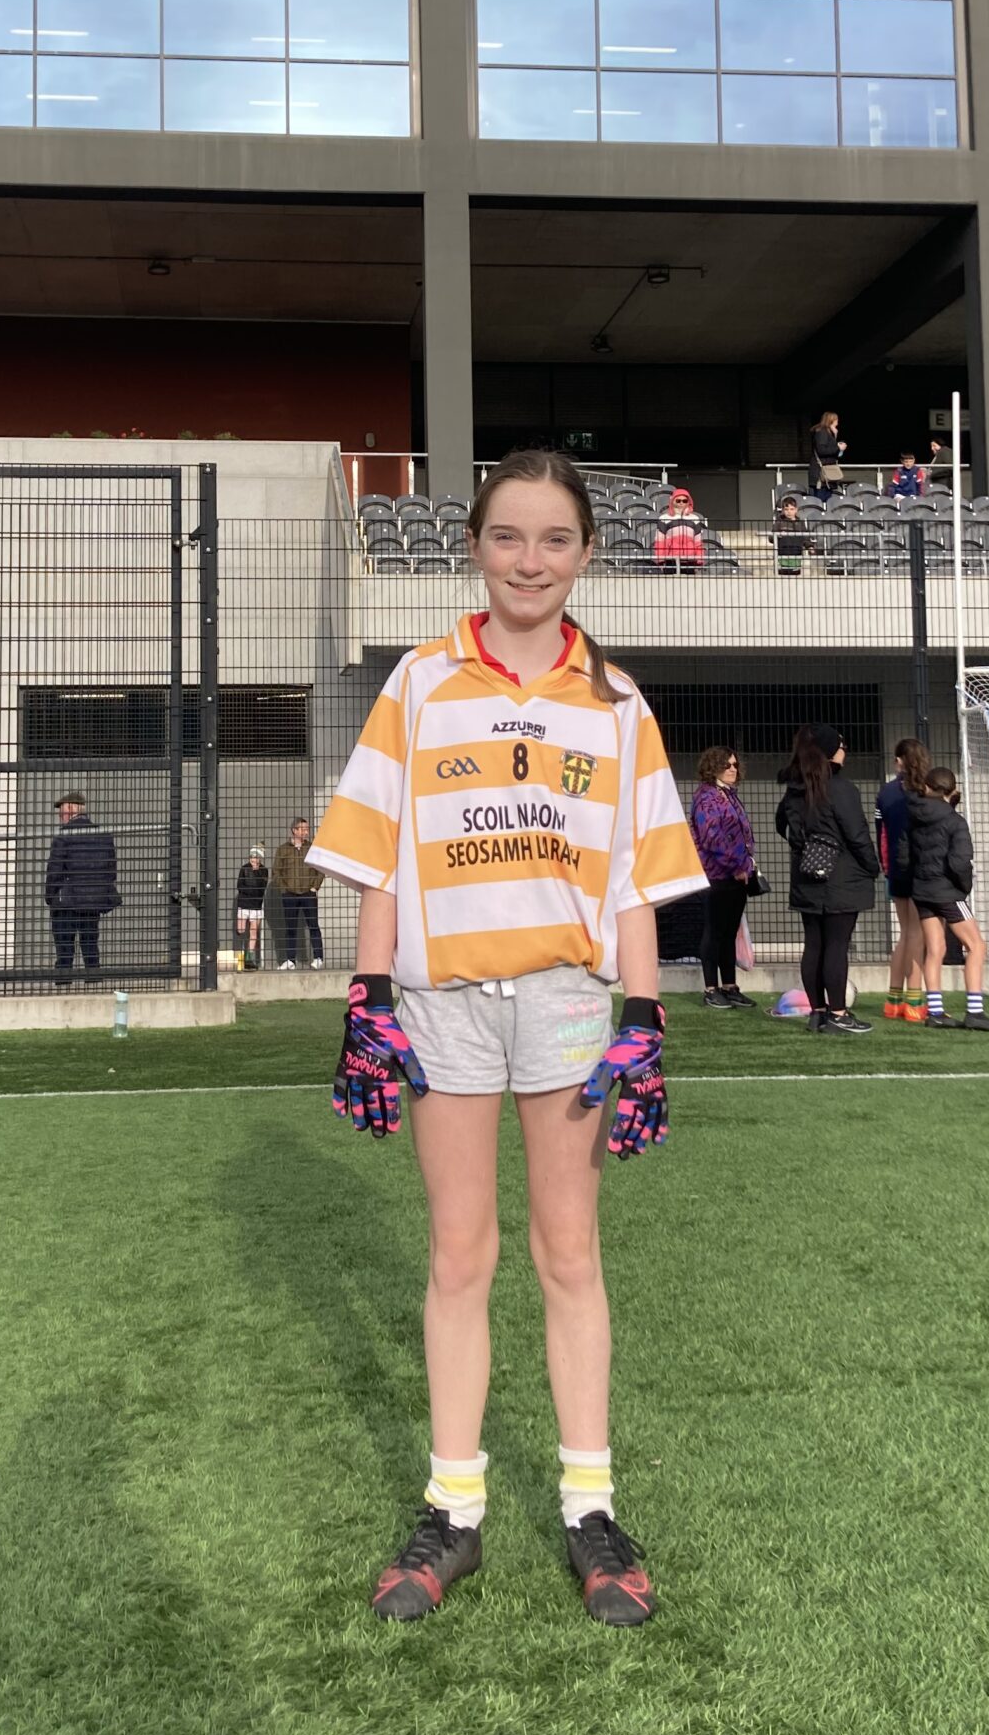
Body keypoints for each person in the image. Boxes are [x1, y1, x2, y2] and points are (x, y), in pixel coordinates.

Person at [306, 446, 705, 1629]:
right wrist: (368, 995)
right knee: (458, 1255)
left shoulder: (618, 702)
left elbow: (635, 880)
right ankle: (456, 1507)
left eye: (555, 539)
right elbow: (380, 854)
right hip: (442, 1005)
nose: (531, 561)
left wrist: (645, 1017)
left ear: (587, 553)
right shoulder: (420, 682)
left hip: (571, 1002)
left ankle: (590, 1507)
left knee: (569, 1254)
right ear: (475, 545)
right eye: (509, 536)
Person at [775, 726, 880, 1036]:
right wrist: (872, 866)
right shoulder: (840, 788)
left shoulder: (796, 788)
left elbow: (782, 824)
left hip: (806, 874)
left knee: (814, 944)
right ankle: (838, 1013)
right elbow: (857, 834)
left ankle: (818, 1013)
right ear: (831, 751)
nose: (845, 750)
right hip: (841, 876)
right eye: (842, 745)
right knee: (836, 944)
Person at [903, 766, 989, 1031]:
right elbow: (960, 862)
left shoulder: (912, 815)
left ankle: (936, 1012)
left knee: (935, 949)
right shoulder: (955, 821)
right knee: (977, 946)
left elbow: (904, 855)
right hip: (947, 891)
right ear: (951, 790)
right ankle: (975, 1012)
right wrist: (963, 888)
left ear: (927, 787)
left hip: (921, 889)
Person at [689, 745, 756, 1011]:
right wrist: (737, 865)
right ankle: (710, 988)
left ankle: (729, 986)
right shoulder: (707, 797)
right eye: (727, 765)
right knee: (714, 931)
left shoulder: (728, 795)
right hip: (716, 875)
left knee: (729, 931)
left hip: (737, 875)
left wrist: (746, 864)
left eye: (735, 765)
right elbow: (712, 838)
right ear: (713, 766)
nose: (732, 769)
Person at [876, 737, 932, 1023]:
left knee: (905, 933)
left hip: (895, 870)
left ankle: (893, 1000)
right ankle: (914, 1002)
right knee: (917, 934)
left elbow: (881, 834)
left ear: (899, 760)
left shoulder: (885, 792)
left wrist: (886, 867)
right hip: (922, 870)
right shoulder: (927, 790)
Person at [45, 791, 119, 981]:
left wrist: (50, 896)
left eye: (62, 811)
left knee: (64, 945)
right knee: (90, 942)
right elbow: (111, 870)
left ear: (71, 808)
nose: (60, 816)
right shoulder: (103, 835)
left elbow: (55, 869)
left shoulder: (64, 835)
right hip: (93, 901)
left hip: (67, 901)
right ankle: (93, 979)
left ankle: (64, 980)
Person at [272, 816, 324, 970]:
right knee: (291, 928)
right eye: (303, 829)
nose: (306, 832)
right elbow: (276, 871)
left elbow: (320, 869)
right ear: (294, 830)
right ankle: (290, 960)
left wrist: (315, 887)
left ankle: (318, 957)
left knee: (313, 926)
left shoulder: (312, 848)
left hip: (308, 893)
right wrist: (284, 889)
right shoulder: (283, 849)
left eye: (307, 829)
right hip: (290, 894)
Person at [651, 486, 707, 571]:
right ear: (673, 501)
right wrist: (660, 559)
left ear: (688, 502)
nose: (681, 503)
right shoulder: (664, 518)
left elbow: (698, 542)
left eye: (684, 501)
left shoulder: (695, 518)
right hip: (670, 560)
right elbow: (660, 541)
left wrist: (699, 559)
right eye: (678, 500)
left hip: (690, 560)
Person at [768, 495, 821, 576]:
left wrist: (810, 547)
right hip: (782, 555)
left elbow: (805, 538)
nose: (789, 512)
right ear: (783, 510)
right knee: (782, 577)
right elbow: (771, 538)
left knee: (795, 577)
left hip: (796, 555)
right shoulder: (779, 523)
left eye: (791, 509)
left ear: (796, 510)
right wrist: (778, 535)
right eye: (786, 509)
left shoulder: (800, 523)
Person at [235, 845, 269, 971]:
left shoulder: (263, 870)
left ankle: (249, 959)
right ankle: (240, 957)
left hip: (256, 905)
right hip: (244, 904)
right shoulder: (244, 868)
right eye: (252, 857)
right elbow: (240, 885)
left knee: (253, 932)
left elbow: (262, 887)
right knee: (241, 930)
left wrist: (256, 872)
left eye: (256, 857)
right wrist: (251, 891)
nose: (254, 859)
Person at [808, 410, 846, 500]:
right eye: (836, 419)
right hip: (821, 473)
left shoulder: (830, 433)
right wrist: (837, 448)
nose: (837, 422)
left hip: (827, 475)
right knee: (821, 499)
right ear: (831, 420)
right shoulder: (822, 432)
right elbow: (821, 450)